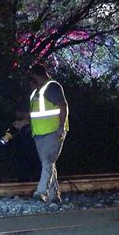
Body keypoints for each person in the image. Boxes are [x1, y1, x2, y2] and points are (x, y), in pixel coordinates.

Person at [28, 63, 68, 203]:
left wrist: (61, 126)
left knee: (47, 161)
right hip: (39, 133)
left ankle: (41, 193)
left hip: (53, 131)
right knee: (48, 163)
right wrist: (23, 123)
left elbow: (63, 106)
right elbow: (35, 114)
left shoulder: (52, 87)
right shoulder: (36, 92)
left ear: (36, 75)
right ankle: (54, 195)